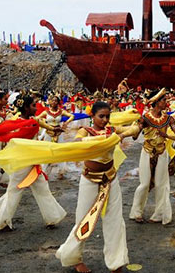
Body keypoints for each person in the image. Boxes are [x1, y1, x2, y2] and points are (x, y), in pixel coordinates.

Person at [56, 101, 139, 273]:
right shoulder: (84, 131)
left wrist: (136, 124)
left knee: (115, 220)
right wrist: (110, 138)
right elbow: (78, 144)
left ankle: (116, 262)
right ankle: (73, 258)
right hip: (90, 181)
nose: (105, 120)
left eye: (108, 116)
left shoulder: (112, 130)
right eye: (101, 116)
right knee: (83, 220)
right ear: (92, 116)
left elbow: (134, 131)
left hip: (110, 178)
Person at [0, 94, 67, 231]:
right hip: (22, 164)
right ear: (25, 108)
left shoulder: (32, 120)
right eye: (33, 105)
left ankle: (52, 218)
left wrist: (54, 129)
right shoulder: (16, 123)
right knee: (15, 191)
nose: (36, 108)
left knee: (41, 189)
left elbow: (42, 123)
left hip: (33, 162)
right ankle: (2, 222)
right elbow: (11, 139)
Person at [129, 89, 175, 225]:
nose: (166, 102)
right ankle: (136, 212)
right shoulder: (146, 117)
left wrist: (168, 136)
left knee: (161, 184)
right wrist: (136, 127)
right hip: (147, 152)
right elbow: (135, 136)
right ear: (156, 102)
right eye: (164, 100)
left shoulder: (168, 118)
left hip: (162, 153)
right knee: (144, 184)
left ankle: (159, 214)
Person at [36, 94, 75, 179]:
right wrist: (43, 123)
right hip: (48, 133)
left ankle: (62, 171)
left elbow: (72, 116)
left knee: (60, 151)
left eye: (56, 101)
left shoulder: (61, 111)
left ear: (58, 102)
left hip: (59, 133)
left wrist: (66, 123)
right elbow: (37, 118)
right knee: (47, 151)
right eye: (52, 100)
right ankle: (43, 171)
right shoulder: (46, 112)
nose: (54, 102)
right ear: (49, 102)